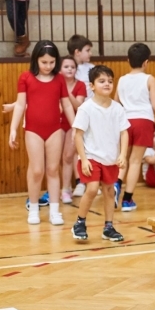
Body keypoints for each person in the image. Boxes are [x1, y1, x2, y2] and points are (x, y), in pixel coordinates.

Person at [8, 41, 76, 226]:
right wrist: (13, 128)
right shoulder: (26, 78)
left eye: (52, 62)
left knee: (53, 170)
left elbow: (67, 105)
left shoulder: (59, 79)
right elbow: (20, 104)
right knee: (37, 170)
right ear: (36, 60)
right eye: (44, 62)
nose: (48, 66)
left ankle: (54, 211)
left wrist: (75, 128)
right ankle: (34, 208)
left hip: (54, 130)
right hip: (33, 130)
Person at [71, 65, 129, 242]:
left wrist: (123, 155)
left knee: (110, 191)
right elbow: (78, 135)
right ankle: (80, 223)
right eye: (102, 81)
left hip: (110, 159)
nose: (107, 84)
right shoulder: (86, 108)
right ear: (92, 86)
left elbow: (124, 133)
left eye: (110, 81)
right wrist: (84, 159)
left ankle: (108, 227)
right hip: (91, 158)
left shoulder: (118, 108)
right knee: (92, 188)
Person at [114, 43, 155, 212]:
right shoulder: (149, 79)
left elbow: (116, 103)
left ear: (128, 60)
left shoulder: (122, 80)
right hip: (143, 121)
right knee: (135, 161)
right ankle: (127, 200)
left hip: (125, 121)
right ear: (146, 62)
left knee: (122, 158)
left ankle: (116, 183)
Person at [68, 34, 95, 197]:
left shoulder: (91, 68)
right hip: (73, 113)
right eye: (87, 50)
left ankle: (92, 180)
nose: (90, 53)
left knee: (90, 148)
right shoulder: (68, 68)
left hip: (90, 113)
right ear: (77, 52)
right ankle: (79, 181)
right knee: (74, 149)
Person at [59, 56, 87, 204]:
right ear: (59, 69)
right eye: (66, 66)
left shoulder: (80, 85)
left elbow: (78, 106)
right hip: (57, 123)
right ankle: (65, 187)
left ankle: (65, 190)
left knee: (68, 156)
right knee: (57, 158)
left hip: (74, 123)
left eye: (73, 67)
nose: (70, 69)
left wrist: (66, 93)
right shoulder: (55, 83)